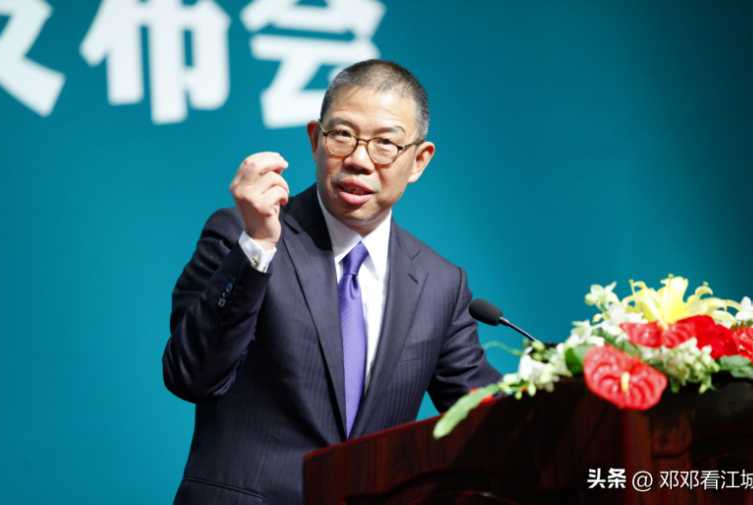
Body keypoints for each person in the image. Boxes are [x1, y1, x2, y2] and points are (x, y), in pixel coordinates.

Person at [163, 59, 500, 505]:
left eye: (385, 143)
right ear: (314, 140)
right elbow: (191, 377)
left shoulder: (440, 284)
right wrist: (258, 248)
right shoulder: (242, 235)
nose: (359, 160)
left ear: (419, 160)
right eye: (342, 135)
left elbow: (490, 421)